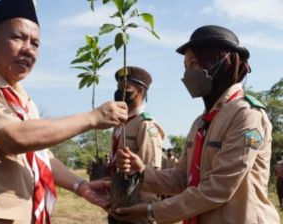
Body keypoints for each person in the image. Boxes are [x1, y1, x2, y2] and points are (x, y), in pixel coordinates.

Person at [0, 0, 128, 224]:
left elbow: (40, 157)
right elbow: (13, 138)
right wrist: (94, 117)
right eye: (18, 38)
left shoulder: (22, 97)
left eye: (35, 43)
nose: (29, 50)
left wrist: (80, 186)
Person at [112, 25, 280, 224]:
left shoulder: (247, 115)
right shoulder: (201, 122)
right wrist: (141, 171)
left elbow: (219, 188)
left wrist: (151, 210)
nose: (187, 73)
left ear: (218, 63)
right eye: (186, 66)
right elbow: (181, 178)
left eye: (194, 63)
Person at [108, 66, 165, 224]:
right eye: (118, 88)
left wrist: (144, 211)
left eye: (125, 88)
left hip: (136, 210)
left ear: (140, 91)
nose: (120, 92)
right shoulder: (120, 124)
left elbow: (151, 170)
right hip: (119, 202)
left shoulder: (145, 125)